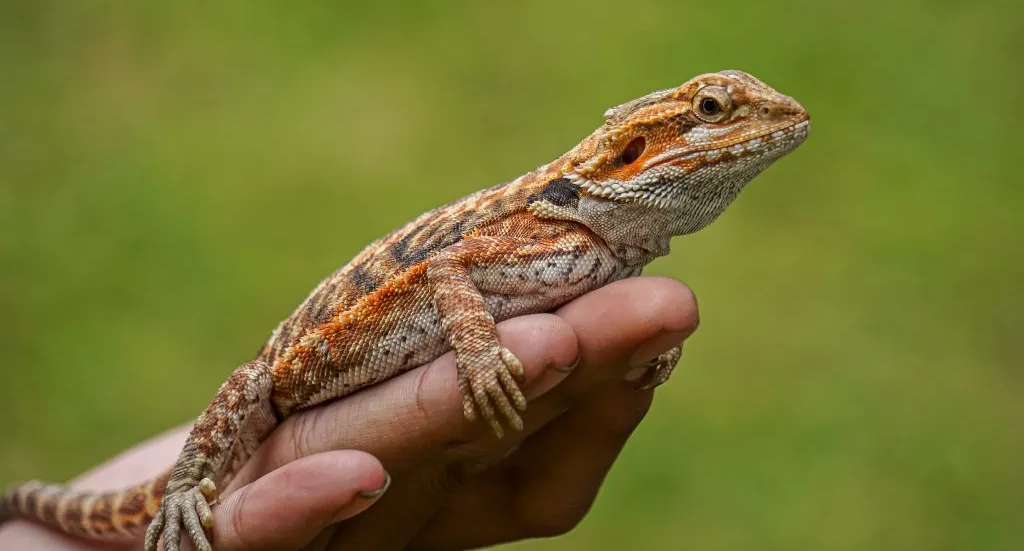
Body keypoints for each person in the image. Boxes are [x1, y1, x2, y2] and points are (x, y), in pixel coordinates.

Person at [0, 277, 698, 550]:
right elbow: (448, 268)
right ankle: (166, 486)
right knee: (251, 387)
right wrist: (480, 348)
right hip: (293, 384)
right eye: (712, 109)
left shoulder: (601, 253)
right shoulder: (538, 223)